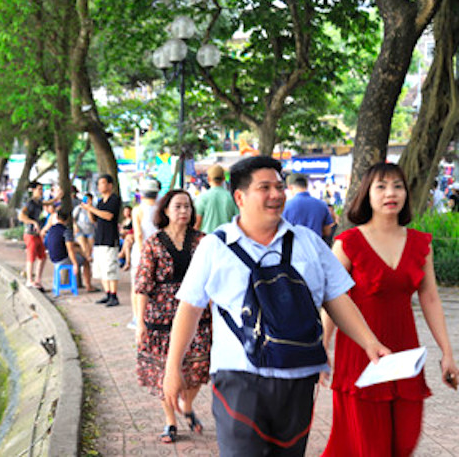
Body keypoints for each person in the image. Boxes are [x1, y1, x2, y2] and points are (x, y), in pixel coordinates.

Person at [163, 155, 390, 457]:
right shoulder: (215, 247)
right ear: (240, 197)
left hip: (300, 376)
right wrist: (172, 367)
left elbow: (336, 298)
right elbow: (189, 309)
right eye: (265, 187)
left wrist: (370, 343)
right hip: (239, 377)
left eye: (280, 187)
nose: (276, 195)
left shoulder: (308, 242)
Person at [321, 162, 459, 457]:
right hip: (359, 356)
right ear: (366, 194)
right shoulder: (348, 243)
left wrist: (447, 352)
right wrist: (323, 346)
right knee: (370, 448)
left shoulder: (421, 243)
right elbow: (333, 299)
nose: (390, 193)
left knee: (405, 441)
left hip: (405, 355)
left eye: (397, 186)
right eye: (381, 186)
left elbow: (431, 298)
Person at [135, 189, 210, 444]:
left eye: (187, 207)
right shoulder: (154, 243)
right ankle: (170, 421)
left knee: (199, 366)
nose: (183, 211)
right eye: (177, 206)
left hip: (197, 315)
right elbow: (143, 285)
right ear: (165, 210)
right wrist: (140, 322)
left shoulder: (203, 241)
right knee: (163, 371)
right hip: (161, 318)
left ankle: (186, 404)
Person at [80, 174, 123, 307]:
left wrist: (91, 209)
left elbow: (108, 216)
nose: (100, 186)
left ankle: (114, 295)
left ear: (110, 185)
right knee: (101, 269)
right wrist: (89, 209)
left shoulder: (114, 199)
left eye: (103, 183)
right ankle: (108, 293)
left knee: (110, 268)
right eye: (99, 184)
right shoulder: (99, 202)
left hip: (110, 239)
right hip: (99, 238)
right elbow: (94, 220)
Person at [128, 177, 161, 329]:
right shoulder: (162, 209)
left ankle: (137, 318)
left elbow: (138, 234)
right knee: (157, 286)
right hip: (159, 251)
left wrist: (143, 254)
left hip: (142, 252)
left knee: (137, 287)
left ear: (142, 193)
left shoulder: (138, 210)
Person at [44, 208, 93, 291]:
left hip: (53, 258)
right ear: (67, 219)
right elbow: (70, 250)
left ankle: (86, 255)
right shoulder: (66, 231)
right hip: (62, 259)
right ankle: (89, 286)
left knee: (77, 248)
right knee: (85, 261)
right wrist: (75, 264)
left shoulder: (51, 229)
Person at [283, 173, 334, 239]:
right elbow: (327, 231)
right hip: (315, 246)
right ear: (306, 185)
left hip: (294, 247)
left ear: (290, 187)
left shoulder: (285, 206)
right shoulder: (322, 205)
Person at [18, 181, 47, 291]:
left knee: (43, 257)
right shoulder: (29, 203)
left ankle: (38, 279)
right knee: (31, 257)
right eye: (39, 189)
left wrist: (57, 198)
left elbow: (47, 203)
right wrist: (33, 222)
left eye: (42, 189)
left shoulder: (39, 202)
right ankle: (29, 280)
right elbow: (21, 216)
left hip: (37, 234)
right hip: (30, 234)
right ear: (33, 190)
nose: (41, 191)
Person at [193, 164, 238, 234]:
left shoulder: (202, 197)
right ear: (224, 178)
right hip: (227, 239)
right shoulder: (231, 197)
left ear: (208, 179)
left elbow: (196, 224)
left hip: (207, 239)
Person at [72, 192, 95, 260]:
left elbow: (92, 220)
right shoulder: (79, 208)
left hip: (90, 230)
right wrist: (75, 225)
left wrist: (89, 209)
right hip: (80, 230)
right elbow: (72, 218)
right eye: (85, 199)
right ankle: (86, 259)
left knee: (90, 249)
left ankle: (86, 262)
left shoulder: (93, 208)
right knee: (84, 247)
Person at [117, 205, 134, 270]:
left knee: (127, 242)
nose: (127, 213)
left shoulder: (133, 220)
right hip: (124, 238)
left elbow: (135, 229)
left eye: (128, 211)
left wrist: (126, 232)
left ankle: (126, 261)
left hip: (131, 237)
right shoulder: (124, 221)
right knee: (126, 244)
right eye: (125, 211)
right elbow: (121, 231)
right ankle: (127, 262)